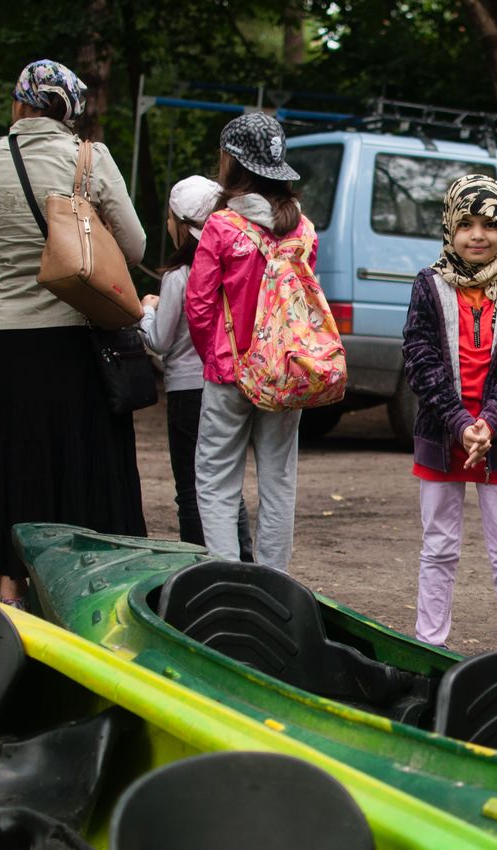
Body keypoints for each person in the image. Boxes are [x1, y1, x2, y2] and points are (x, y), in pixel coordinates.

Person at [0, 59, 147, 607]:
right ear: (70, 111)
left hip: (6, 338)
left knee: (13, 456)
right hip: (73, 336)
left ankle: (10, 580)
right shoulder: (89, 159)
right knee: (77, 456)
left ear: (18, 104)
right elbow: (134, 247)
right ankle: (77, 576)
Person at [402, 174, 497, 655]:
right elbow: (419, 358)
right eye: (465, 223)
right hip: (443, 430)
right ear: (449, 226)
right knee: (438, 547)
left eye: (489, 223)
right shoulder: (428, 283)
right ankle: (429, 645)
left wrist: (490, 420)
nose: (477, 235)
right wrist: (460, 423)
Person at [186, 112, 309, 569]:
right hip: (286, 371)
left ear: (233, 164)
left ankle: (227, 577)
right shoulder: (303, 231)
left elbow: (198, 306)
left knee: (217, 479)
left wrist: (218, 360)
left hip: (230, 370)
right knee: (279, 480)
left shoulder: (221, 227)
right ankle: (274, 579)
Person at [140, 175, 253, 560]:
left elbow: (158, 341)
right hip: (227, 386)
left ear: (179, 223)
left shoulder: (178, 276)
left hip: (188, 390)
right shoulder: (232, 266)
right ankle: (244, 561)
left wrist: (145, 311)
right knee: (225, 485)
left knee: (190, 487)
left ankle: (196, 562)